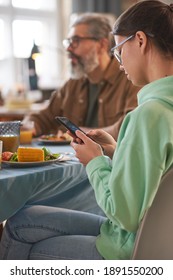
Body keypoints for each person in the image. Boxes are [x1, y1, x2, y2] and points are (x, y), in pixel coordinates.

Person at [1, 0, 173, 260]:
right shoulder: (162, 109)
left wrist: (95, 161)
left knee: (21, 236)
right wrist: (116, 150)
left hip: (126, 246)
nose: (119, 61)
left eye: (118, 49)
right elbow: (155, 174)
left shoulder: (148, 114)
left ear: (140, 41)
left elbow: (124, 214)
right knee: (23, 218)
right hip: (153, 239)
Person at [23, 13, 139, 140]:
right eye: (68, 42)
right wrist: (30, 125)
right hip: (71, 157)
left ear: (102, 45)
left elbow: (129, 127)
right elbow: (44, 116)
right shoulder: (73, 83)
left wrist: (81, 133)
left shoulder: (130, 78)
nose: (68, 49)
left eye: (75, 41)